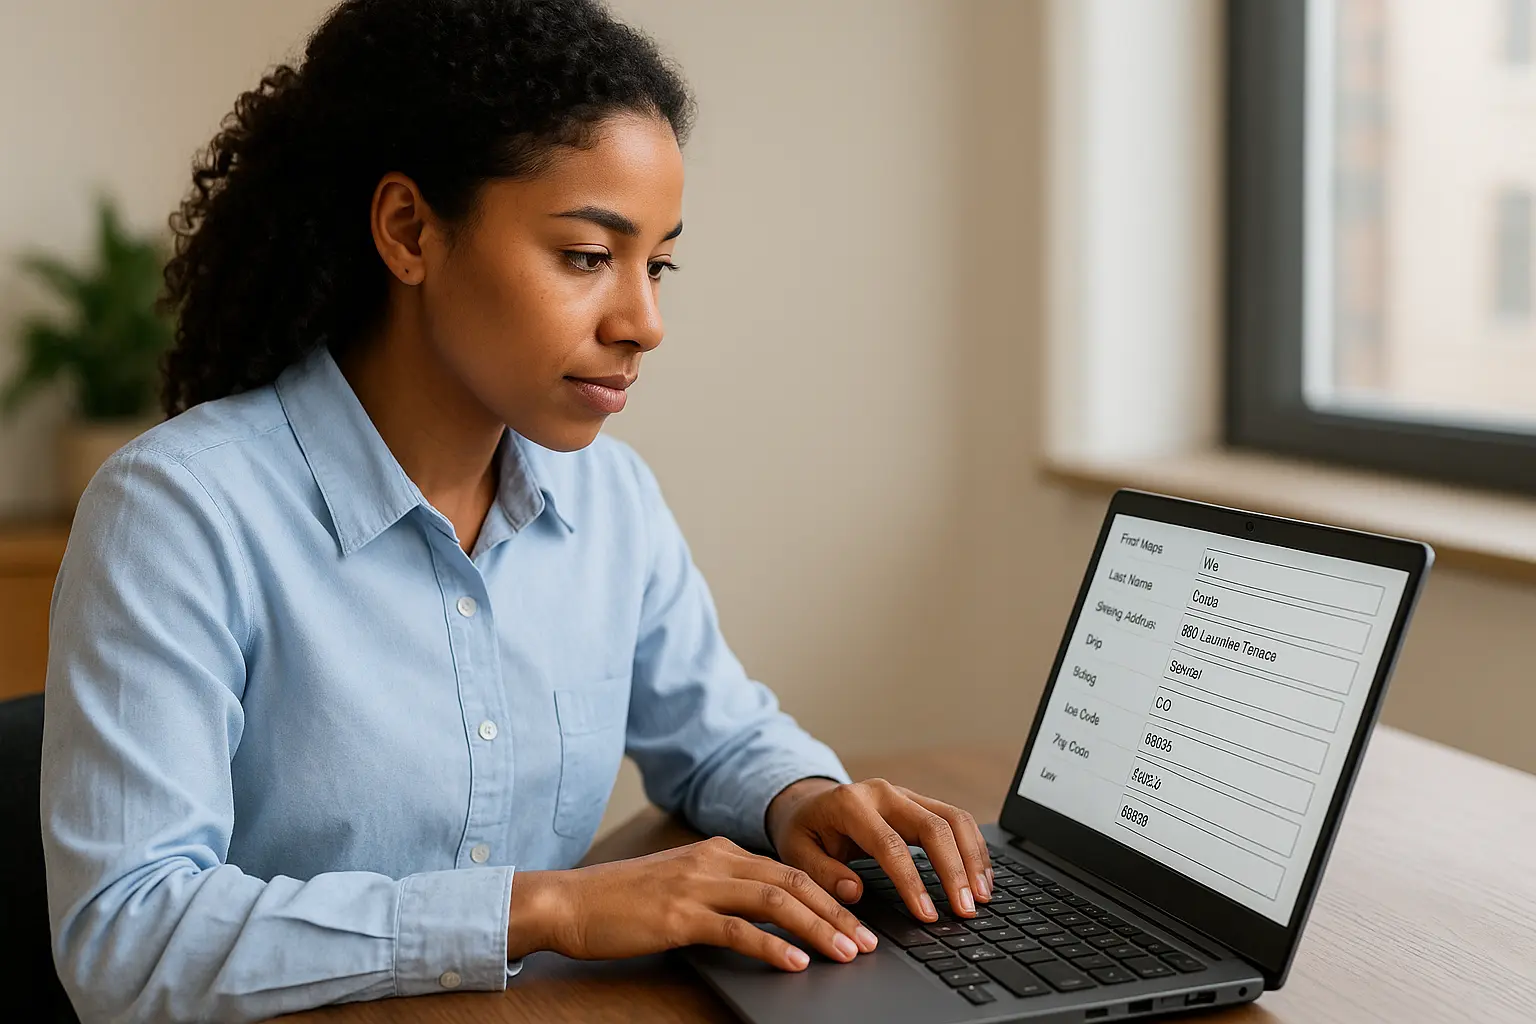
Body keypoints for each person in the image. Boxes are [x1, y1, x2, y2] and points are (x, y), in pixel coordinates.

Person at [38, 2, 995, 1021]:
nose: (645, 322)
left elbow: (716, 733)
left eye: (657, 263)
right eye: (589, 256)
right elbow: (127, 937)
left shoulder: (607, 498)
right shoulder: (179, 512)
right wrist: (544, 910)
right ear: (409, 231)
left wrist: (803, 797)